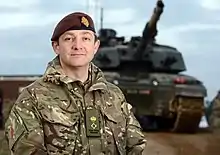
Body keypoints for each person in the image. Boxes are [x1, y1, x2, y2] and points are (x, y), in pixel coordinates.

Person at [4, 12, 146, 155]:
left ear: (95, 46)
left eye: (85, 38)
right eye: (69, 38)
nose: (78, 46)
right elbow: (27, 150)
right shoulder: (32, 98)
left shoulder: (114, 95)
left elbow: (135, 146)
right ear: (56, 47)